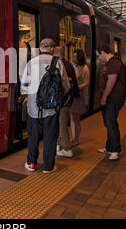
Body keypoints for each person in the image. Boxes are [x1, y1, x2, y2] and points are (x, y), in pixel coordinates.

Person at [21, 38, 70, 173]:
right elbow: (66, 85)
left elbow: (24, 85)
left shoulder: (32, 63)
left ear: (40, 48)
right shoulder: (58, 62)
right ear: (52, 49)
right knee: (50, 136)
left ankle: (31, 163)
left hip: (33, 109)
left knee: (33, 136)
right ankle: (48, 167)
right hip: (51, 108)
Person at [96, 45, 126, 161]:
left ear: (103, 52)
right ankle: (109, 147)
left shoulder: (113, 63)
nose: (99, 58)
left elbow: (111, 80)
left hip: (113, 98)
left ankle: (115, 150)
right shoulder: (112, 63)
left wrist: (104, 97)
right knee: (109, 123)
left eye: (99, 55)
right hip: (113, 97)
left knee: (111, 123)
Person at [53, 46, 78, 158]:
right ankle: (58, 145)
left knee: (61, 124)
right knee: (60, 123)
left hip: (61, 100)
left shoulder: (58, 65)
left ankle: (67, 149)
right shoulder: (69, 65)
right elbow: (74, 84)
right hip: (67, 99)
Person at [69, 49, 90, 146]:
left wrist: (77, 87)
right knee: (72, 118)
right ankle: (73, 137)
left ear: (80, 57)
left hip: (80, 96)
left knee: (76, 118)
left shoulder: (85, 68)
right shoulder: (73, 66)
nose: (74, 59)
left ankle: (77, 138)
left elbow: (87, 82)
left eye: (76, 57)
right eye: (73, 56)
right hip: (73, 95)